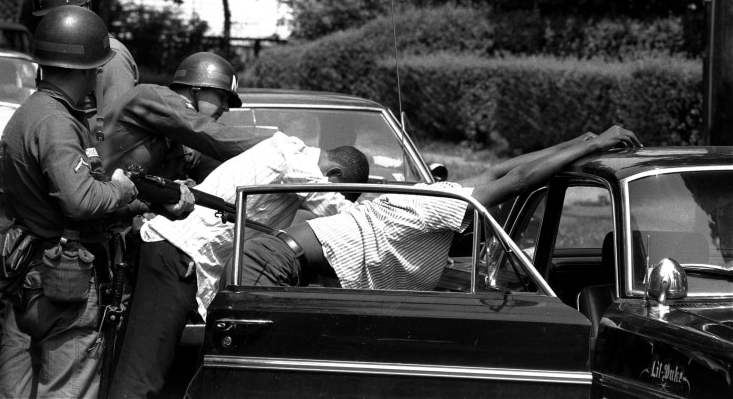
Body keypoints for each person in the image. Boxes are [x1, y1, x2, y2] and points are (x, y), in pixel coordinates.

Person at [0, 6, 194, 399]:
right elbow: (82, 201)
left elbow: (72, 200)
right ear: (86, 69)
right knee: (69, 386)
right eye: (95, 70)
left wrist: (150, 203)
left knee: (14, 388)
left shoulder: (31, 113)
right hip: (61, 277)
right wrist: (125, 188)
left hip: (30, 273)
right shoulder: (56, 122)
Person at [109, 131, 370, 399]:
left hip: (183, 258)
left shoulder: (290, 158)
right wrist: (376, 211)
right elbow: (336, 210)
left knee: (164, 370)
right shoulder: (292, 157)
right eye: (341, 192)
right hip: (177, 253)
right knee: (142, 374)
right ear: (333, 174)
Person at [228, 125, 642, 290]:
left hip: (277, 258)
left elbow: (498, 170)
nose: (492, 214)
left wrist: (578, 143)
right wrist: (593, 145)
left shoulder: (431, 198)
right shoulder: (436, 207)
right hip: (273, 262)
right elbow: (513, 182)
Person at [95, 51, 262, 180]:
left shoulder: (184, 141)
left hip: (118, 216)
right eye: (222, 97)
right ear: (197, 89)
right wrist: (279, 144)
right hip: (89, 214)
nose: (225, 108)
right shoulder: (151, 96)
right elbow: (209, 132)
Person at [30, 0, 139, 141]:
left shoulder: (110, 54)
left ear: (84, 7)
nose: (51, 24)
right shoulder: (57, 52)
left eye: (57, 15)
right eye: (45, 18)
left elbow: (121, 128)